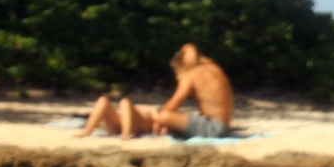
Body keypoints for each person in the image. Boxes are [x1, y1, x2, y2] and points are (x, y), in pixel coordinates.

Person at [75, 43, 235, 140]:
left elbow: (174, 103)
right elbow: (189, 48)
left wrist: (160, 120)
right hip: (222, 125)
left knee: (164, 115)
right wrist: (190, 50)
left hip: (213, 128)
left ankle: (116, 133)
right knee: (172, 119)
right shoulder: (213, 67)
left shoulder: (189, 76)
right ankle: (96, 130)